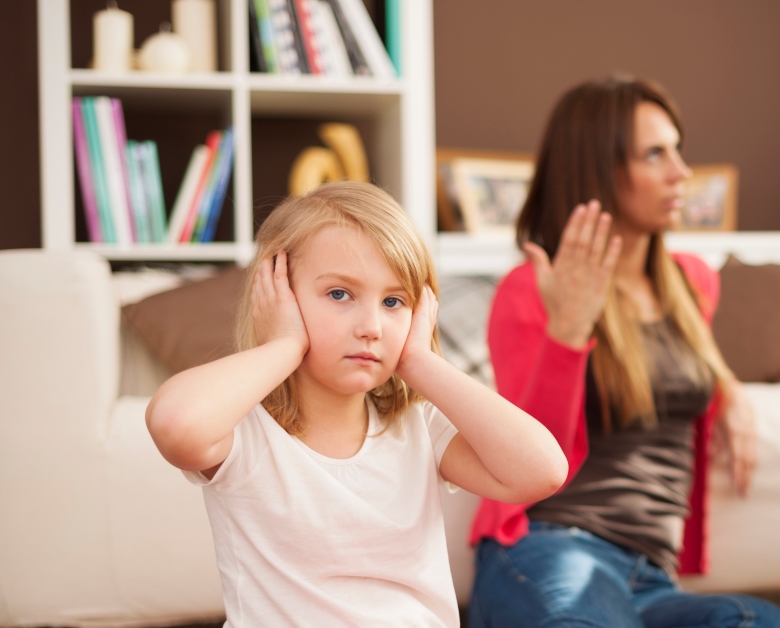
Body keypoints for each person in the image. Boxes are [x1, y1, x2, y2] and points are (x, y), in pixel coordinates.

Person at [145, 182, 568, 626]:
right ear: (277, 296)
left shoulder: (418, 426)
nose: (371, 326)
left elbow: (542, 472)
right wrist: (286, 343)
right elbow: (176, 423)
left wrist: (421, 363)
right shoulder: (243, 432)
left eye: (393, 301)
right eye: (339, 294)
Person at [467, 77, 780, 627]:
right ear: (598, 170)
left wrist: (732, 390)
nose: (681, 173)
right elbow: (528, 457)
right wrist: (570, 328)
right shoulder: (529, 290)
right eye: (654, 154)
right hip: (548, 548)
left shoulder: (691, 282)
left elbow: (685, 369)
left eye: (677, 149)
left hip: (652, 577)